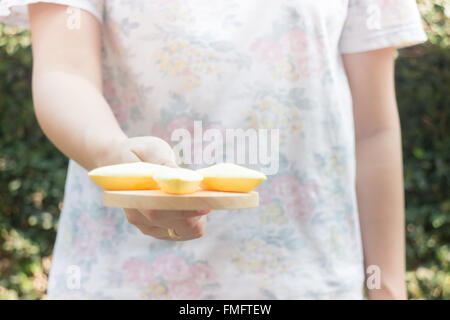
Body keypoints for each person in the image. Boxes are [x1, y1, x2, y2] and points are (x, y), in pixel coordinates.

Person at [0, 0, 427, 299]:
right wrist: (118, 159)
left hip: (312, 283)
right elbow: (64, 74)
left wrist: (386, 290)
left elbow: (373, 129)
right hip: (118, 282)